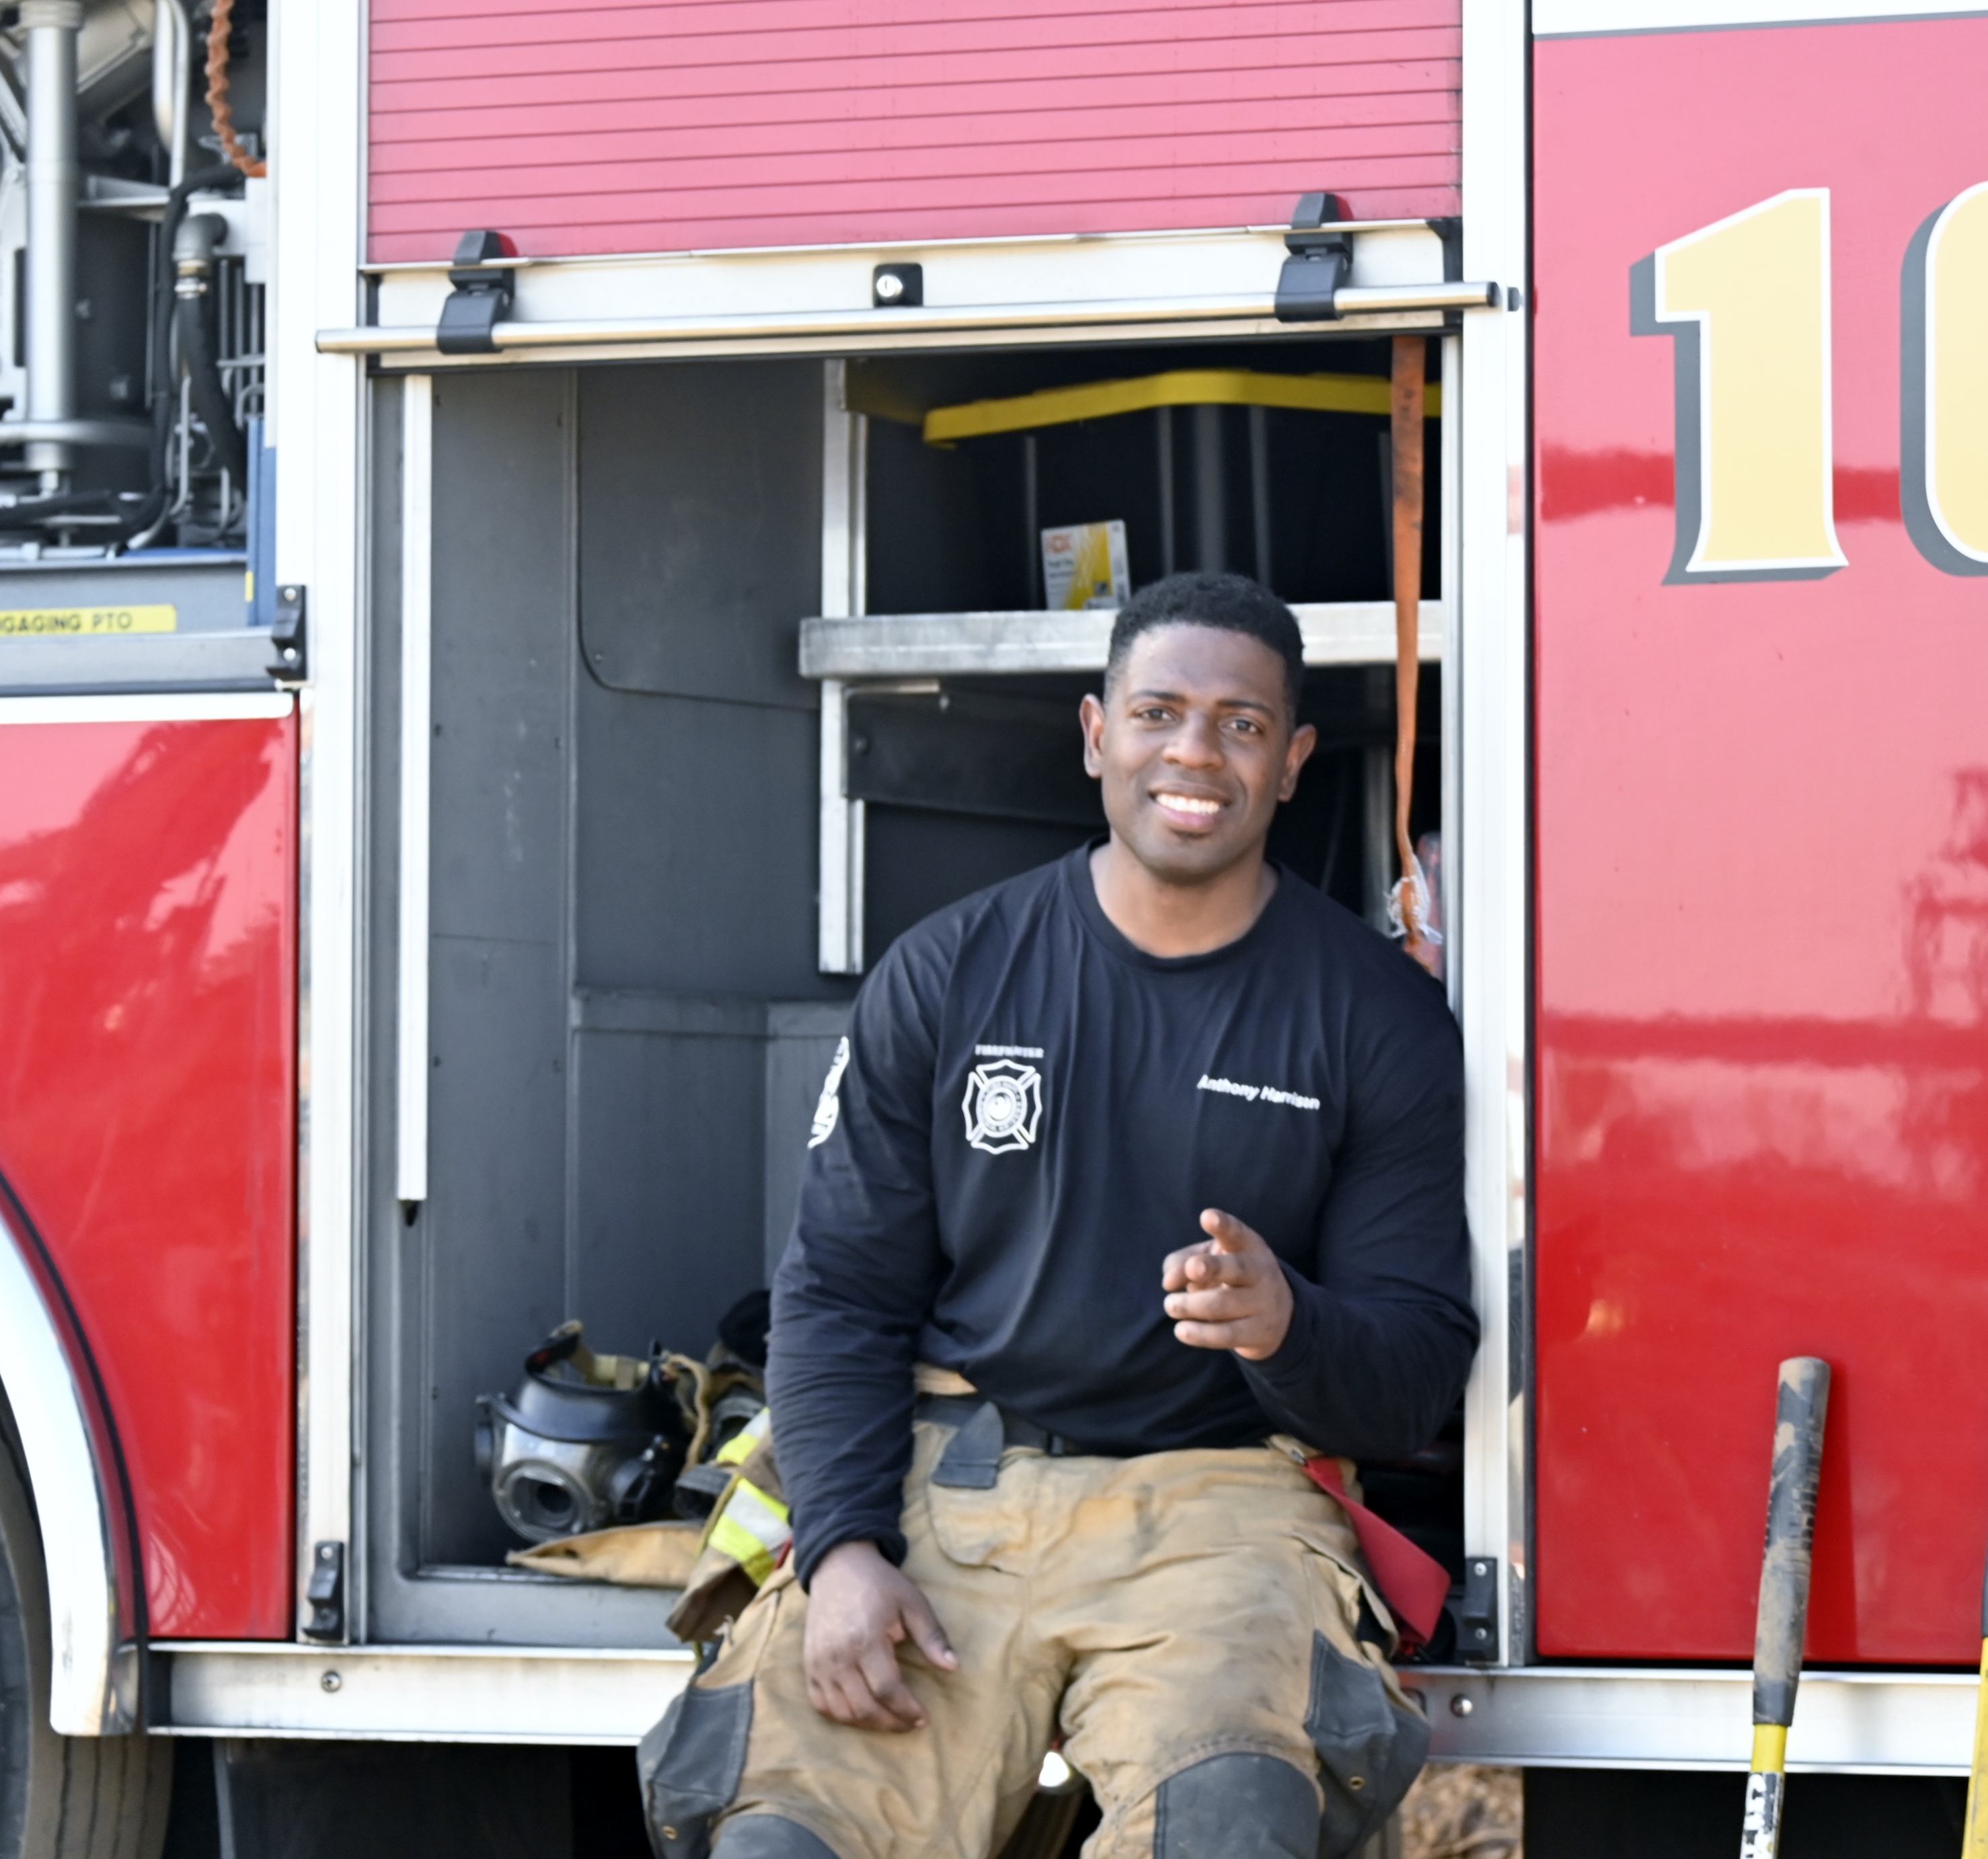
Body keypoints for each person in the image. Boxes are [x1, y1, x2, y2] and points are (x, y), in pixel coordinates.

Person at [642, 572, 1478, 1859]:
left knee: (1225, 1824)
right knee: (779, 1841)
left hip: (1220, 1513)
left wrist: (1287, 1325)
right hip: (948, 1489)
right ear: (1097, 735)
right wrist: (845, 1548)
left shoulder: (1377, 1015)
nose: (1194, 753)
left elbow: (1417, 1368)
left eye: (1243, 725)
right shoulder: (949, 971)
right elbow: (840, 1294)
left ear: (1295, 761)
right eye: (1157, 713)